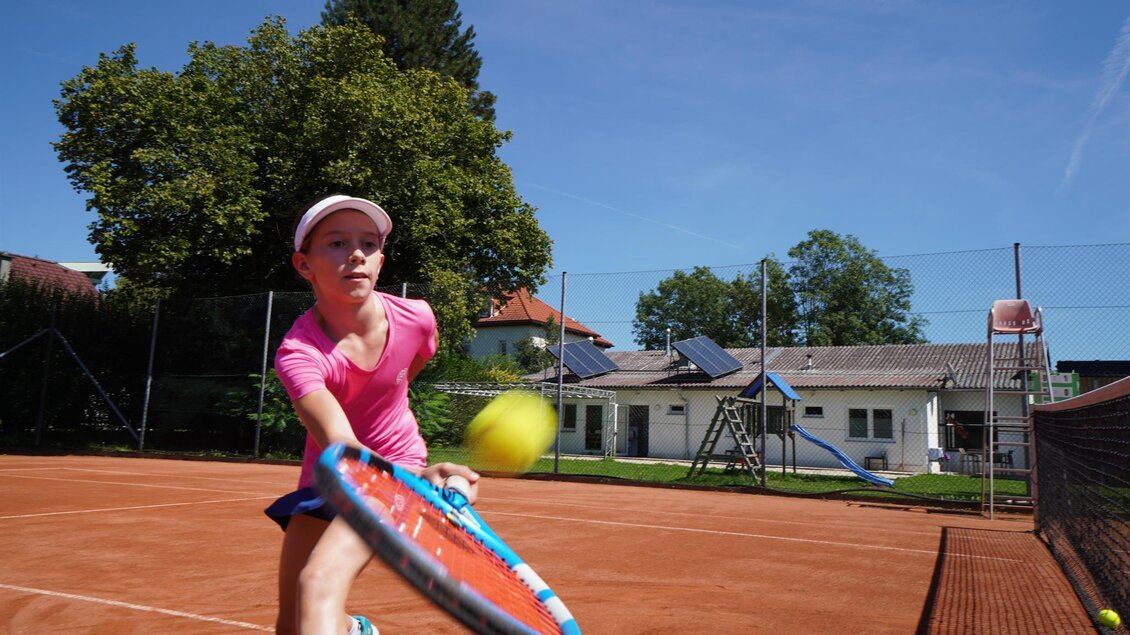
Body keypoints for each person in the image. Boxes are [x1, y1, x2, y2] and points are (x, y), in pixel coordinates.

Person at [265, 194, 480, 635]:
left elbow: (403, 374)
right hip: (329, 474)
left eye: (369, 243)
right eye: (337, 243)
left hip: (393, 473)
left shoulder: (418, 318)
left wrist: (409, 473)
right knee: (291, 627)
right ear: (304, 265)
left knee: (318, 584)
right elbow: (342, 448)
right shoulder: (299, 354)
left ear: (381, 261)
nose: (357, 254)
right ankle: (356, 631)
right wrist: (422, 478)